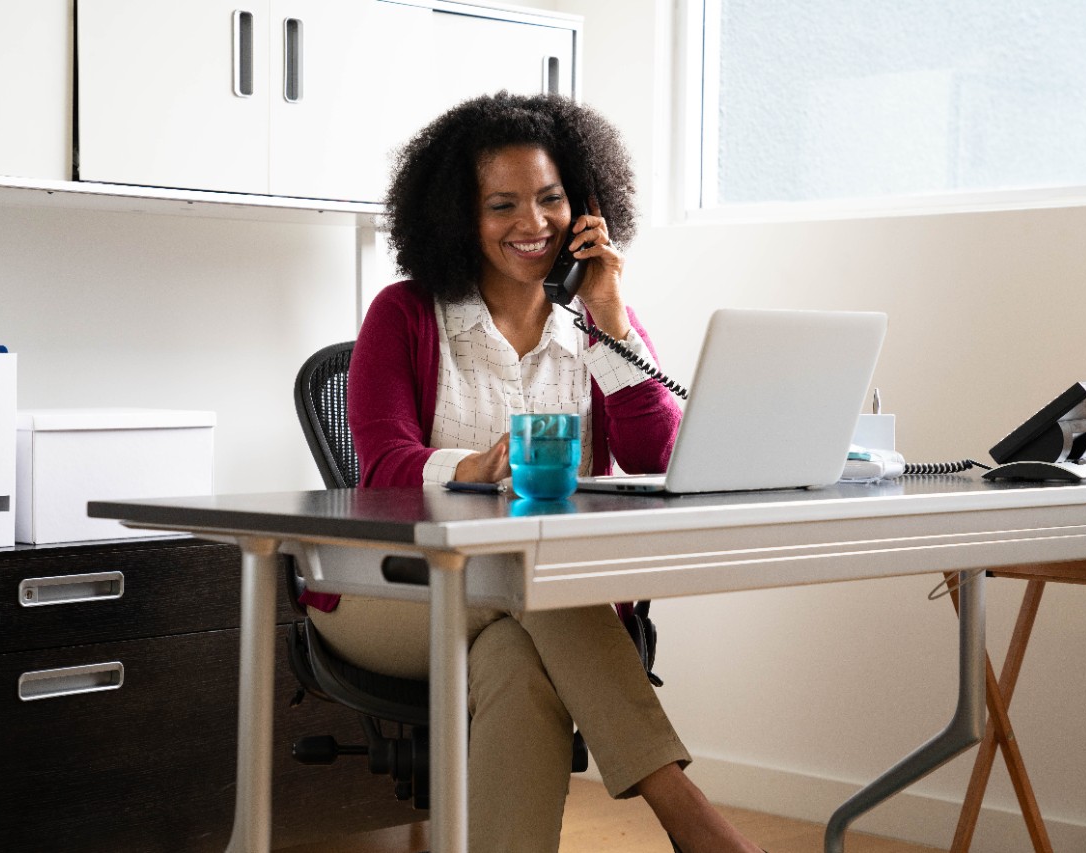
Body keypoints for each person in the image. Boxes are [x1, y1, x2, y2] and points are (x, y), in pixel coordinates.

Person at [301, 92, 765, 853]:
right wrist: (474, 467)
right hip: (386, 592)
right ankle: (682, 804)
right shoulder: (405, 314)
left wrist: (611, 319)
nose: (533, 223)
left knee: (517, 662)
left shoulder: (596, 323)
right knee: (531, 579)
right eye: (502, 205)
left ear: (584, 206)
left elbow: (661, 457)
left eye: (551, 199)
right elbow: (382, 468)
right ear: (460, 215)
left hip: (528, 601)